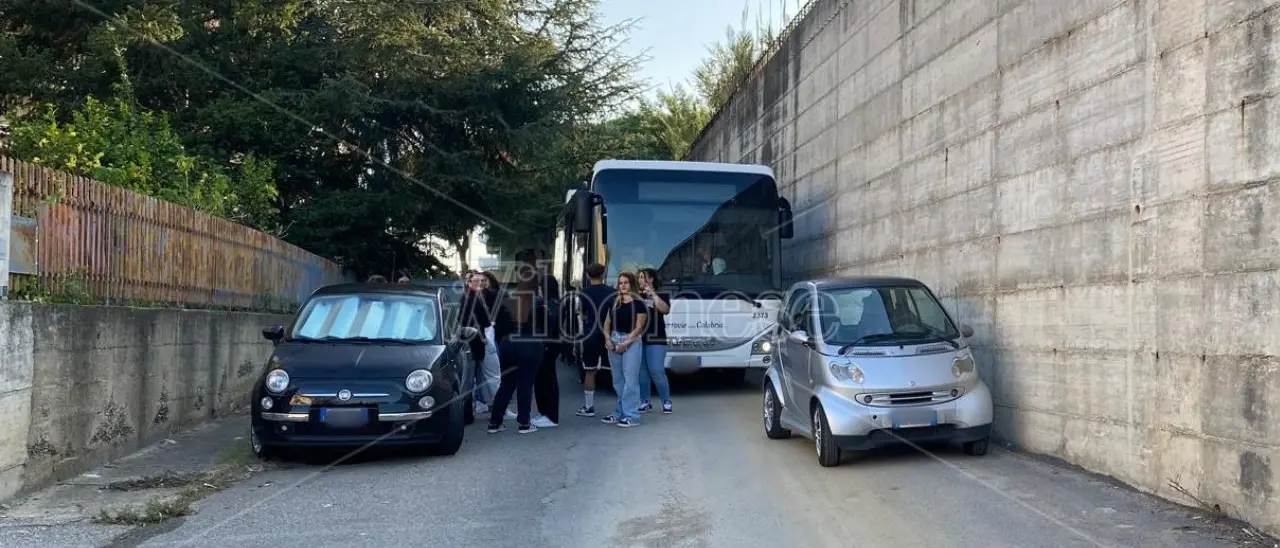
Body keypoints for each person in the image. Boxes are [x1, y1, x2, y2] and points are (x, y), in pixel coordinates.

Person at [486, 274, 551, 434]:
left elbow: (498, 327)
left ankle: (495, 422)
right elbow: (547, 326)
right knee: (525, 384)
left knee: (506, 384)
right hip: (530, 344)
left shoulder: (507, 302)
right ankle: (524, 423)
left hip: (507, 344)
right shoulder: (539, 302)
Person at [601, 271, 647, 428]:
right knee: (617, 379)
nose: (623, 285)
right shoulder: (614, 302)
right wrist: (607, 339)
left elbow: (639, 327)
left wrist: (626, 342)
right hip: (614, 338)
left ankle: (632, 415)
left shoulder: (639, 303)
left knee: (630, 379)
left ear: (632, 284)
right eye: (620, 283)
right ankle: (620, 412)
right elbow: (607, 323)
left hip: (631, 340)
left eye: (626, 282)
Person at [574, 263, 615, 417]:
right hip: (610, 334)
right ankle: (622, 408)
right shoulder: (612, 292)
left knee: (589, 371)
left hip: (591, 334)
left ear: (587, 276)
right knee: (617, 371)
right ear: (603, 274)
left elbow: (582, 314)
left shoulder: (584, 293)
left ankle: (589, 407)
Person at [460, 271, 501, 416]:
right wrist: (483, 338)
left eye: (482, 280)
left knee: (484, 377)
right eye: (476, 281)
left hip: (480, 341)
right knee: (487, 377)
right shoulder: (469, 298)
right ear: (468, 283)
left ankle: (492, 406)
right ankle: (497, 408)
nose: (480, 283)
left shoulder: (480, 296)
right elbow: (468, 321)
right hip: (477, 342)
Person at [636, 268, 673, 414]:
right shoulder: (636, 296)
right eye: (639, 277)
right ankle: (645, 401)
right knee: (642, 372)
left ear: (651, 279)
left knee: (656, 371)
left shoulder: (661, 294)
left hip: (657, 339)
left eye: (643, 277)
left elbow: (665, 310)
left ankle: (666, 401)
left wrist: (653, 295)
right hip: (639, 338)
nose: (640, 279)